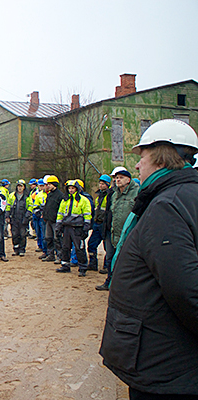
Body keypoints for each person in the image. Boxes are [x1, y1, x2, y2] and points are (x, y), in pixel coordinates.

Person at [100, 119, 198, 398]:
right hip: (172, 357)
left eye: (141, 157)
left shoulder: (167, 205)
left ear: (159, 155)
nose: (138, 165)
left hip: (164, 364)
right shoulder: (184, 195)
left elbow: (186, 289)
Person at [95, 166, 139, 290]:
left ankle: (124, 286)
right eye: (116, 178)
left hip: (128, 233)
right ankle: (109, 281)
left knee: (126, 260)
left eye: (121, 178)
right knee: (110, 257)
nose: (117, 180)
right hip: (112, 231)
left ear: (128, 180)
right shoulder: (113, 194)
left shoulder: (137, 192)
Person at [55, 180, 92, 276]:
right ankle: (65, 265)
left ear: (77, 189)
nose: (71, 190)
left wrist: (86, 226)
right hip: (66, 226)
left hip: (77, 227)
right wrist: (58, 225)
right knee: (65, 247)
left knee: (79, 248)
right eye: (69, 188)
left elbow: (87, 213)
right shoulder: (65, 200)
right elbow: (60, 213)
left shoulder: (83, 200)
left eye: (73, 188)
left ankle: (82, 268)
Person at [87, 175, 114, 273]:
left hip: (105, 224)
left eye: (103, 184)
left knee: (108, 246)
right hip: (97, 223)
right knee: (91, 244)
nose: (101, 186)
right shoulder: (99, 196)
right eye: (100, 184)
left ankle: (107, 266)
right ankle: (93, 264)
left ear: (107, 184)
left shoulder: (111, 195)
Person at [41, 175, 66, 263]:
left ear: (54, 184)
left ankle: (60, 256)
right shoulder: (50, 194)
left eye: (49, 184)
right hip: (48, 220)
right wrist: (44, 215)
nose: (47, 186)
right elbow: (47, 206)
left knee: (57, 239)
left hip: (55, 220)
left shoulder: (60, 195)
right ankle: (50, 255)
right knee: (48, 238)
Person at [8, 179, 33, 256]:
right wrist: (7, 215)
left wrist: (27, 216)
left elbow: (30, 206)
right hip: (14, 218)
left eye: (21, 186)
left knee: (22, 234)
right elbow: (8, 205)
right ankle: (16, 249)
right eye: (18, 186)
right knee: (14, 234)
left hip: (23, 218)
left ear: (24, 187)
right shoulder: (12, 195)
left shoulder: (27, 196)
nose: (19, 188)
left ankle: (22, 249)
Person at [32, 178, 47, 255]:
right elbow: (34, 205)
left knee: (43, 233)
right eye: (39, 186)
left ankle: (45, 248)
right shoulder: (35, 194)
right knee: (38, 231)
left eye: (42, 185)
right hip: (36, 215)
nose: (41, 187)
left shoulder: (47, 194)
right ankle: (40, 245)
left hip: (44, 217)